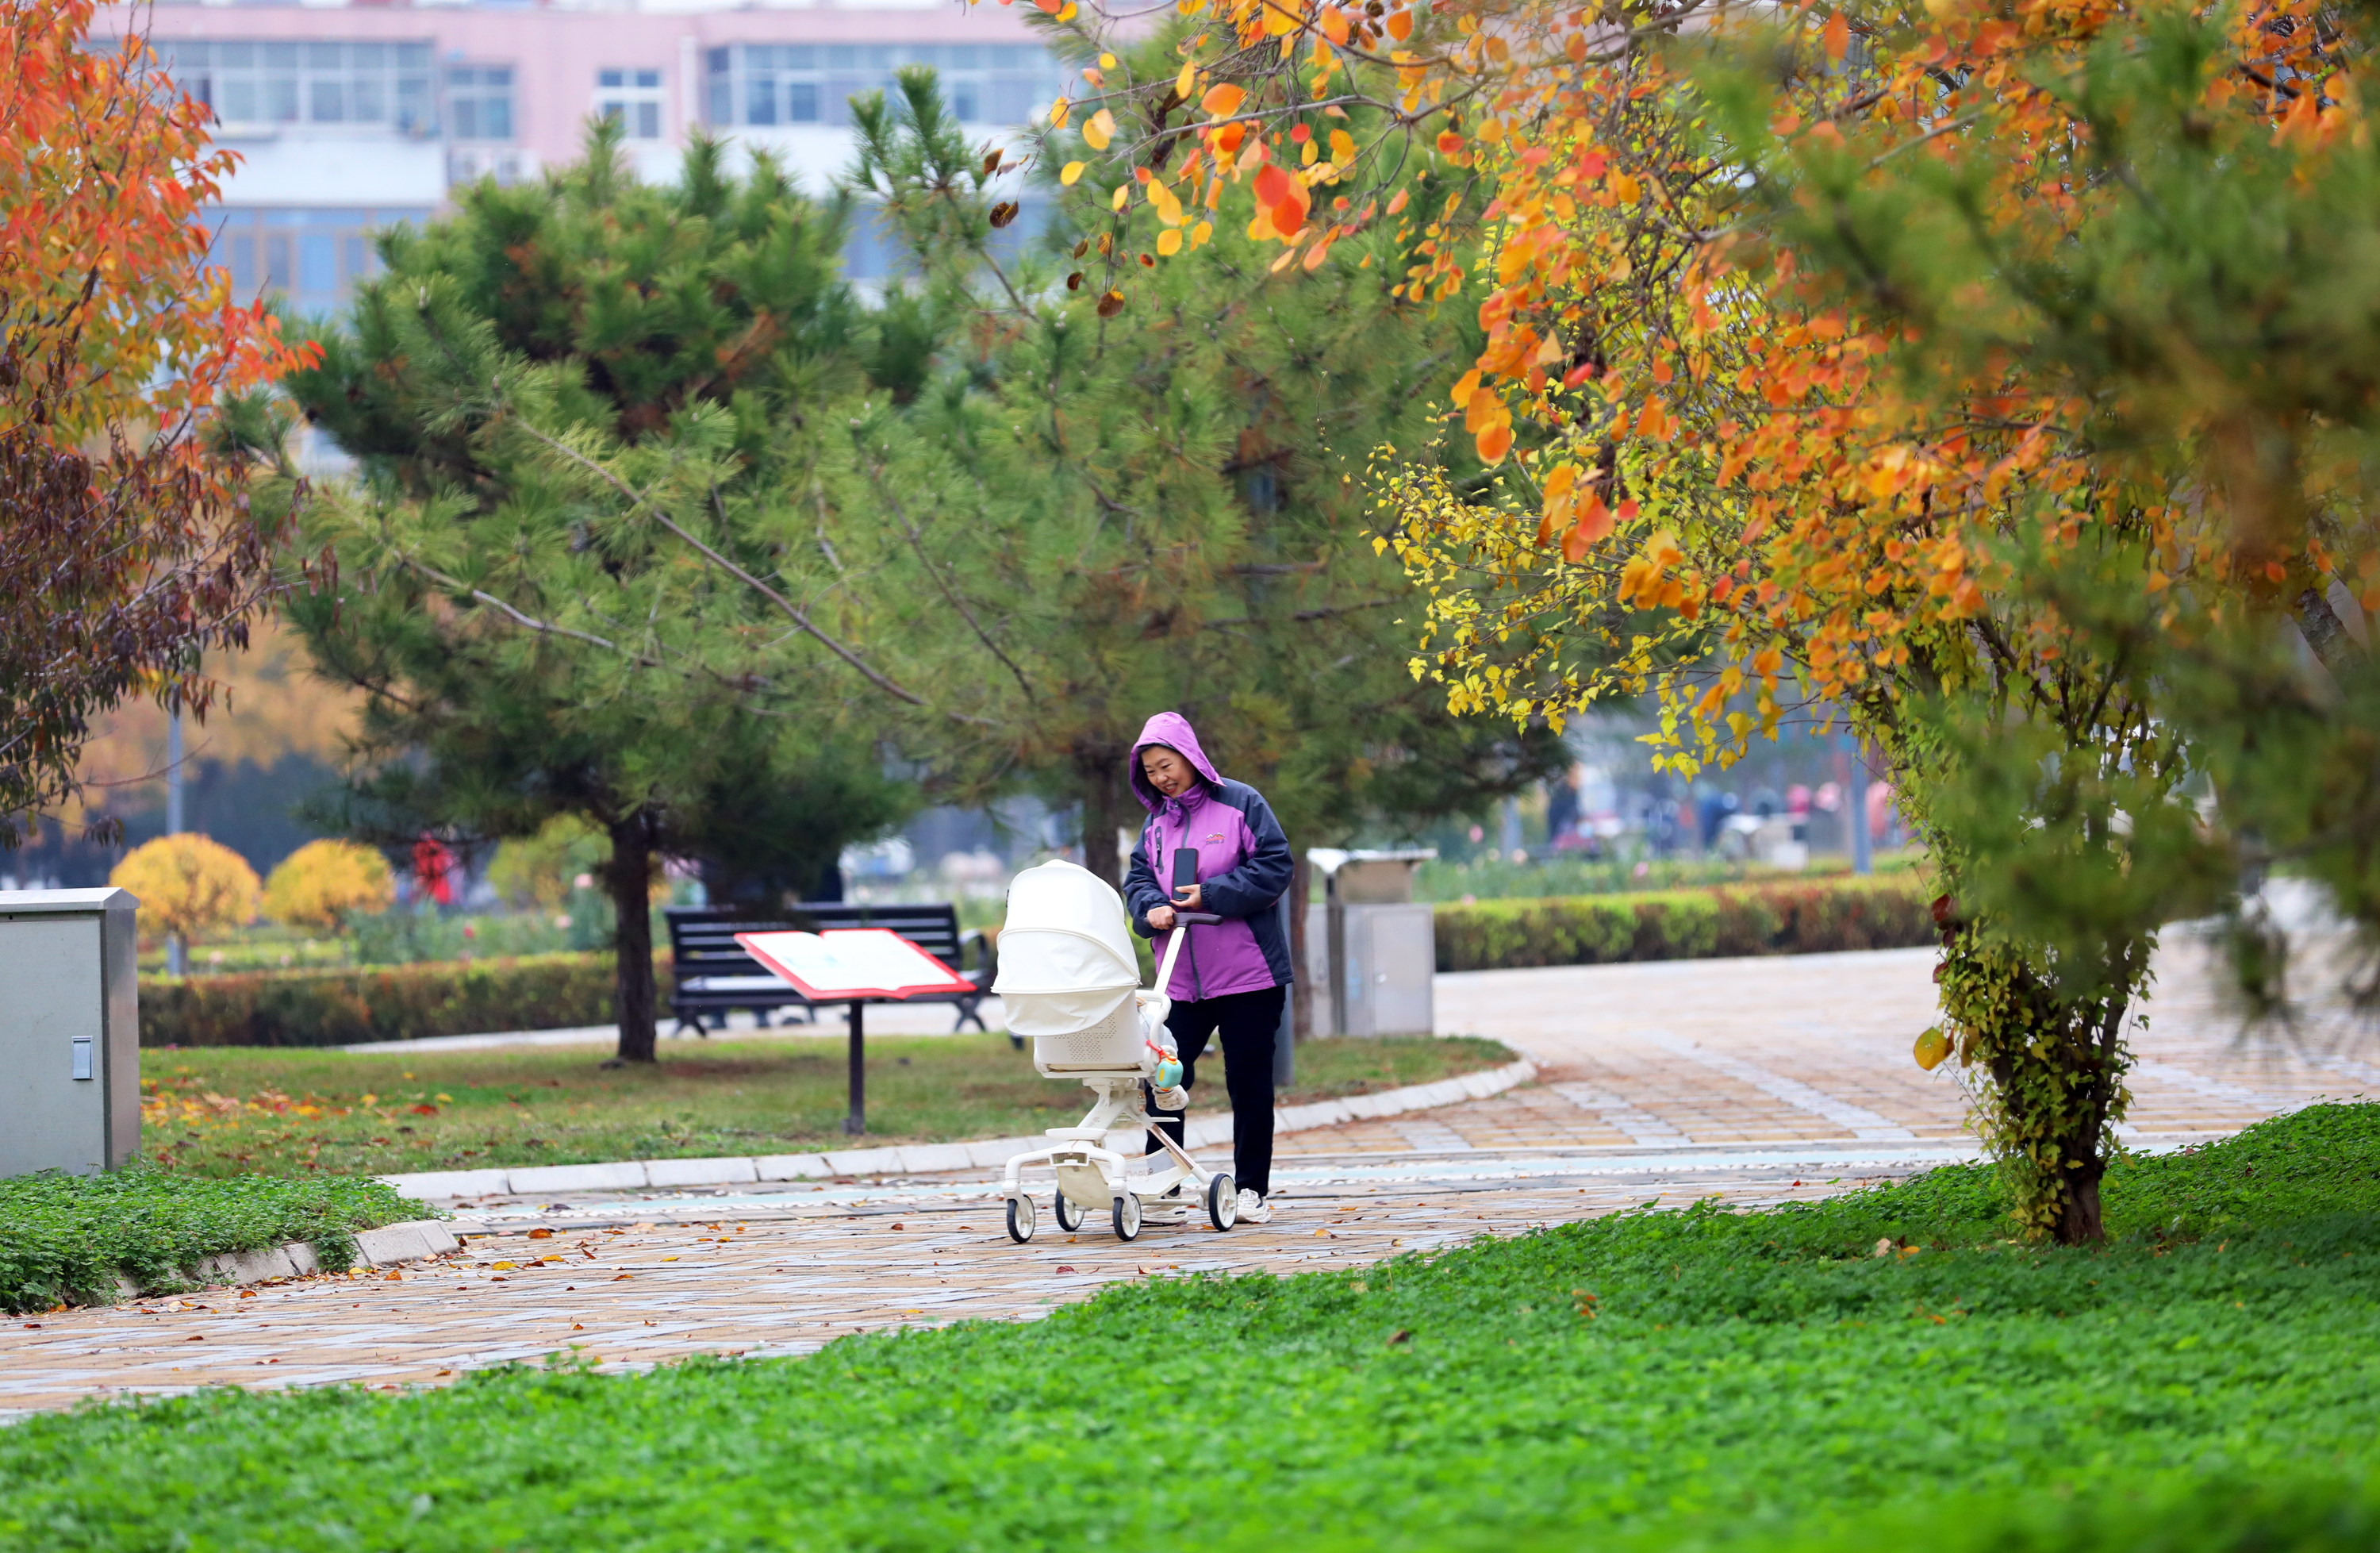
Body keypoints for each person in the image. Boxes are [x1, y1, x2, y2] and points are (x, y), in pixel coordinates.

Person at [1122, 711, 1293, 1225]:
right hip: (1178, 983)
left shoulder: (1242, 803)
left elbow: (1275, 866)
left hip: (1248, 976)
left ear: (1190, 757)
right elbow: (1137, 882)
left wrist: (1211, 894)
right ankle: (1164, 1187)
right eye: (1150, 771)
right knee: (1162, 1079)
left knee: (1249, 1083)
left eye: (1166, 765)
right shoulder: (1156, 824)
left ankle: (1252, 1190)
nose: (1161, 778)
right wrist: (1150, 906)